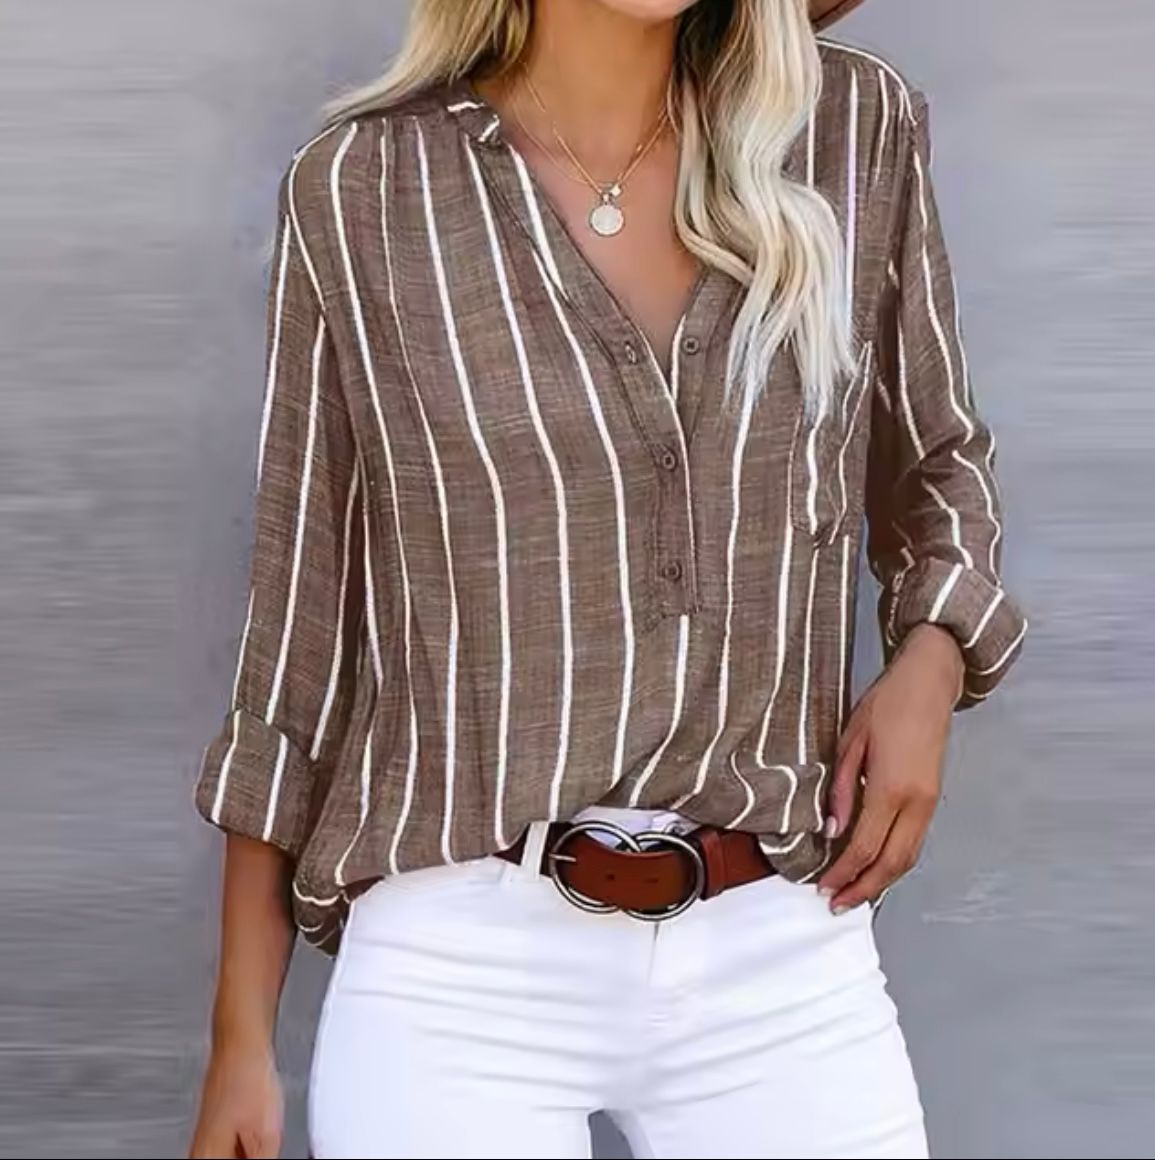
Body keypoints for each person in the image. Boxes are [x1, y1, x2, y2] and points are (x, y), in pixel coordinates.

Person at [188, 1, 1027, 1156]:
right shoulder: (365, 190)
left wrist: (931, 659)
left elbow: (940, 465)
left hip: (779, 940)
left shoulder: (845, 129)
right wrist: (240, 1036)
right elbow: (302, 623)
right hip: (459, 959)